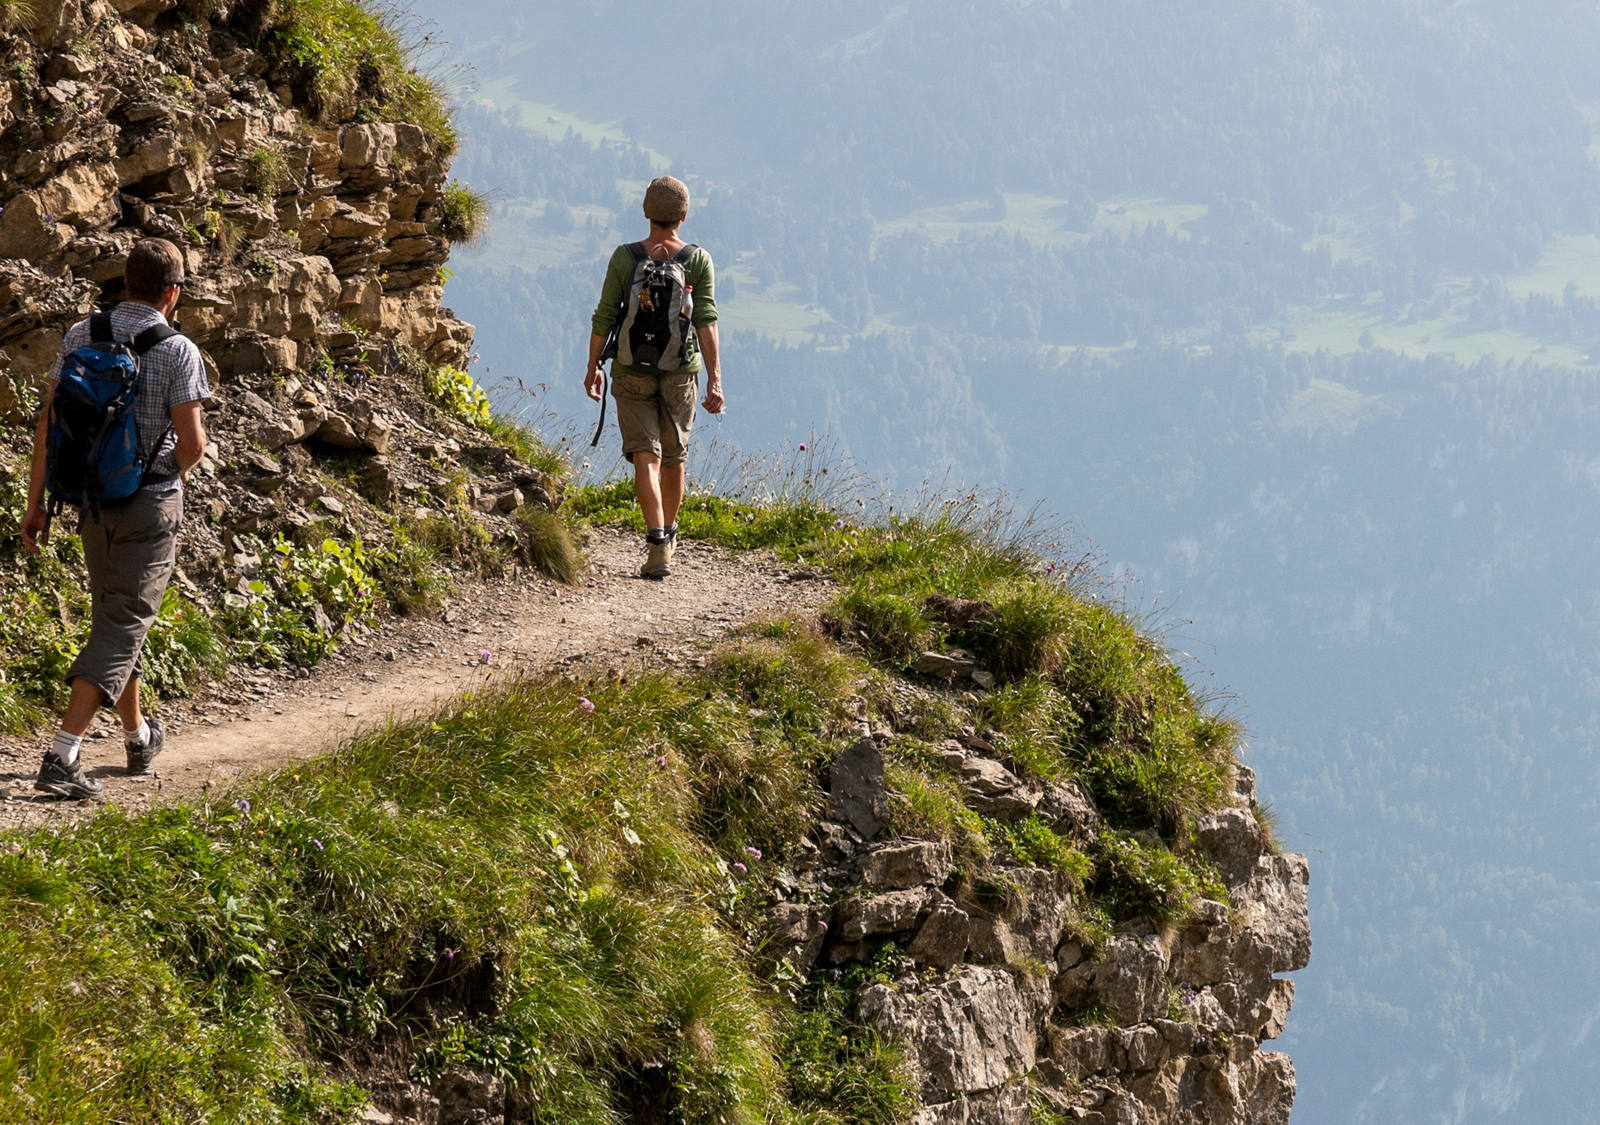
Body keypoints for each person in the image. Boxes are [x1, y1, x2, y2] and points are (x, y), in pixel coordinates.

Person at [21, 237, 210, 800]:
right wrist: (159, 477)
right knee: (125, 621)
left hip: (88, 500)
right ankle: (62, 754)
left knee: (115, 618)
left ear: (126, 283)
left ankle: (137, 736)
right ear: (172, 293)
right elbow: (194, 443)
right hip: (147, 505)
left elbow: (50, 423)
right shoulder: (179, 352)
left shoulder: (84, 335)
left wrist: (37, 504)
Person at [586, 175, 722, 579]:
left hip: (631, 369)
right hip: (680, 372)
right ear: (684, 215)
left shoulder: (625, 257)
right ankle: (671, 533)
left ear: (646, 212)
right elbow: (706, 320)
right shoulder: (698, 260)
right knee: (674, 458)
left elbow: (605, 315)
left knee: (645, 456)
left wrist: (593, 366)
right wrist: (715, 379)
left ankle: (656, 544)